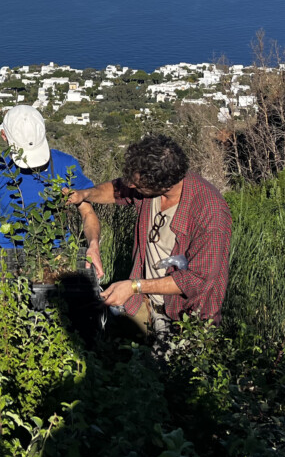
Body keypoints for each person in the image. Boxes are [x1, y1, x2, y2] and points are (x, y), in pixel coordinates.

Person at [68, 134, 231, 327]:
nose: (130, 186)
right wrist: (85, 194)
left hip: (187, 317)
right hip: (145, 303)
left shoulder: (209, 212)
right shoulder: (148, 188)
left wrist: (134, 286)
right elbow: (118, 189)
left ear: (162, 184)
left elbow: (198, 280)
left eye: (137, 184)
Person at [0, 105, 104, 278]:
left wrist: (93, 244)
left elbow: (88, 213)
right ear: (3, 136)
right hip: (9, 258)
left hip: (60, 255)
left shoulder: (66, 165)